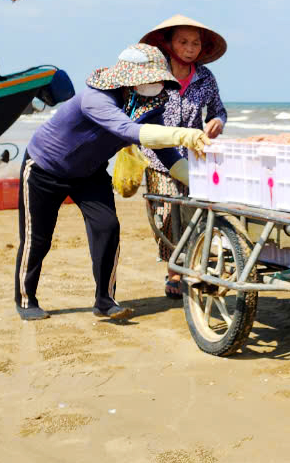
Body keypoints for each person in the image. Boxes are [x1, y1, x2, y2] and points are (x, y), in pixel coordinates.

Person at [14, 45, 212, 321]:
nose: (155, 84)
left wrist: (199, 182)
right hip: (45, 167)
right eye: (149, 78)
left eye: (157, 79)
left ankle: (105, 300)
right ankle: (26, 299)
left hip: (89, 172)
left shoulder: (150, 104)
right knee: (38, 238)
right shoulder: (96, 98)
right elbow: (128, 130)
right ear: (128, 78)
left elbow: (163, 152)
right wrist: (183, 135)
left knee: (107, 228)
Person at [138, 15, 229, 298]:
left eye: (195, 43)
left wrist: (218, 123)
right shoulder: (155, 76)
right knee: (167, 215)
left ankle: (186, 269)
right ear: (168, 43)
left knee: (193, 214)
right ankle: (174, 270)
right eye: (183, 42)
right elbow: (138, 114)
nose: (190, 48)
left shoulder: (205, 78)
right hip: (157, 157)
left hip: (194, 158)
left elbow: (218, 111)